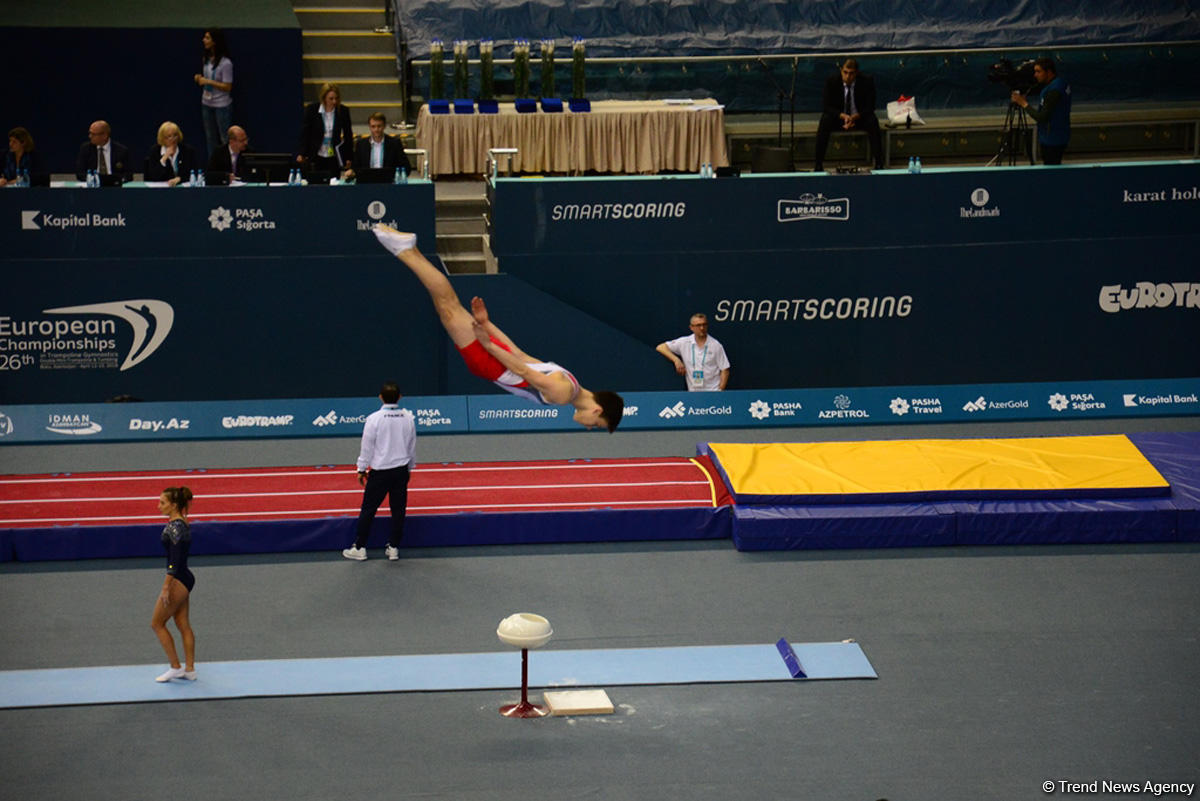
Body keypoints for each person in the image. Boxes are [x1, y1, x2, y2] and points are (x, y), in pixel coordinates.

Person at [372, 224, 624, 432]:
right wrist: (488, 343)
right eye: (598, 424)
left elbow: (521, 355)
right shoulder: (562, 394)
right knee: (448, 306)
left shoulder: (571, 381)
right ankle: (405, 251)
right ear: (597, 410)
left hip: (495, 357)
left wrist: (487, 325)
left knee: (447, 307)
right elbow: (521, 368)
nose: (591, 427)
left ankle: (409, 250)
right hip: (492, 362)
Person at [342, 381, 416, 561]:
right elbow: (411, 444)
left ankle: (359, 547)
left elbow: (367, 446)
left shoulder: (374, 418)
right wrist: (410, 467)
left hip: (381, 472)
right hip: (400, 471)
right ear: (399, 397)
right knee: (398, 510)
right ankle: (394, 547)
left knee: (368, 509)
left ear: (380, 397)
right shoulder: (408, 418)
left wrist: (361, 468)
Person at [151, 486, 197, 682]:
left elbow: (174, 561)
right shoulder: (181, 523)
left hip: (178, 578)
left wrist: (166, 587)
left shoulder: (175, 527)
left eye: (162, 502)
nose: (158, 506)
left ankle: (176, 667)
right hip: (185, 576)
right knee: (182, 623)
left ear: (174, 505)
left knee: (157, 623)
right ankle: (190, 669)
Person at [814, 58, 884, 172]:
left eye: (851, 73)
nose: (848, 76)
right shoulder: (832, 81)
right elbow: (826, 106)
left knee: (872, 121)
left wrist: (855, 117)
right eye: (845, 73)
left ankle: (879, 163)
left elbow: (870, 107)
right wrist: (843, 116)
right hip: (839, 117)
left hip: (859, 117)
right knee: (825, 121)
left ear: (856, 73)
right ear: (841, 71)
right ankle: (818, 164)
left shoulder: (866, 81)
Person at [1011, 57, 1071, 165]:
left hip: (1052, 139)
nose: (1035, 75)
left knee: (1051, 169)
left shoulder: (1054, 91)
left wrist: (1023, 103)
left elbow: (1042, 117)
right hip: (1059, 135)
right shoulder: (1060, 83)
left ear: (1049, 72)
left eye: (1038, 71)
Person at [655, 313, 730, 391]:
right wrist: (676, 360)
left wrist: (720, 391)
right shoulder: (684, 342)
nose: (702, 328)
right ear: (691, 327)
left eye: (704, 325)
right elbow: (661, 347)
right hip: (693, 393)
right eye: (698, 325)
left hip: (712, 392)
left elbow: (725, 369)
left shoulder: (715, 345)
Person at [297, 81, 353, 175]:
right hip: (316, 154)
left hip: (334, 155)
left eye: (336, 98)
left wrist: (348, 157)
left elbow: (348, 135)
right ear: (324, 98)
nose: (334, 101)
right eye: (331, 99)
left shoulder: (343, 111)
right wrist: (302, 153)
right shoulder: (312, 110)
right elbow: (305, 132)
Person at [195, 28, 234, 162]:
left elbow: (227, 86)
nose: (204, 40)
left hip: (221, 105)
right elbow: (206, 79)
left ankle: (227, 166)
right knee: (210, 138)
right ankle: (213, 167)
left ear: (215, 41)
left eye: (207, 38)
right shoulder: (206, 59)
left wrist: (208, 81)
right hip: (206, 103)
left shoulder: (225, 63)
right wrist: (200, 78)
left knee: (224, 138)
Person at [345, 112, 410, 180]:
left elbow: (406, 168)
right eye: (373, 126)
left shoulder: (395, 144)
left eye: (379, 126)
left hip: (389, 183)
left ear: (384, 126)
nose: (376, 129)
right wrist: (351, 172)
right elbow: (355, 167)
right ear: (369, 127)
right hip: (366, 184)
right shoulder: (361, 144)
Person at [143, 121, 199, 185]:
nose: (173, 139)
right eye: (169, 136)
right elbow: (153, 176)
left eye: (175, 135)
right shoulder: (155, 151)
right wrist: (164, 158)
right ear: (163, 138)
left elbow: (194, 173)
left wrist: (179, 179)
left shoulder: (187, 150)